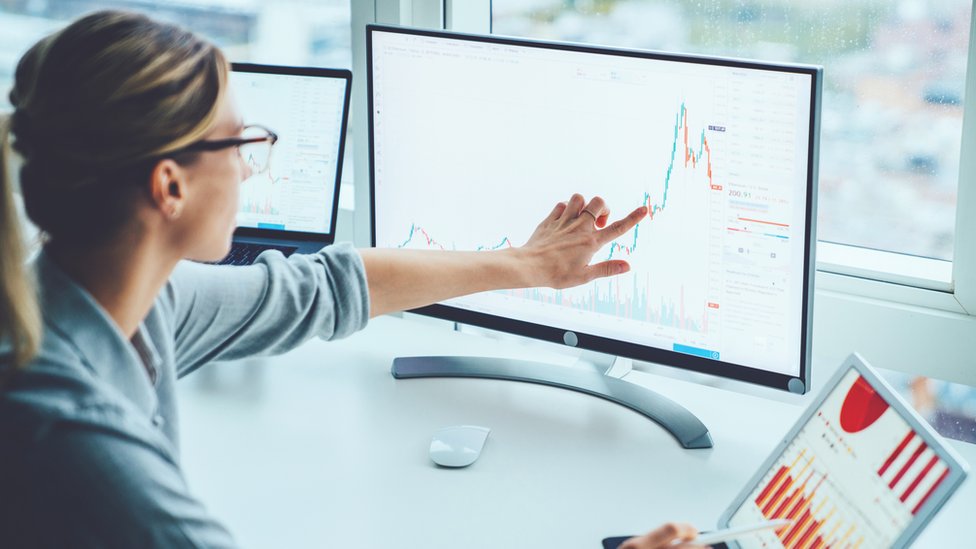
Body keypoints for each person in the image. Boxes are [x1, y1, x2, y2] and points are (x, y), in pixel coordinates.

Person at [0, 11, 704, 548]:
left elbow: (326, 287)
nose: (251, 167)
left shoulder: (108, 299)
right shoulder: (75, 439)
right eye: (242, 143)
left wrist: (529, 264)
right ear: (169, 186)